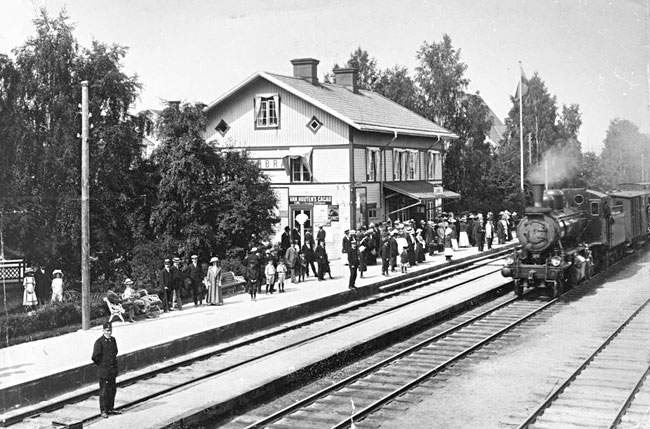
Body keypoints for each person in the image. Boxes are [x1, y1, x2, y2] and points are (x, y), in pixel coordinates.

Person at [92, 322, 121, 418]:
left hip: (112, 370)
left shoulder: (113, 340)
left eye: (110, 330)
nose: (109, 332)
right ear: (103, 330)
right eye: (107, 330)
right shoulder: (99, 342)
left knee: (112, 390)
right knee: (104, 391)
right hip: (104, 371)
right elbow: (95, 357)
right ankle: (103, 410)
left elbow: (115, 352)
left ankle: (110, 408)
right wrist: (102, 365)